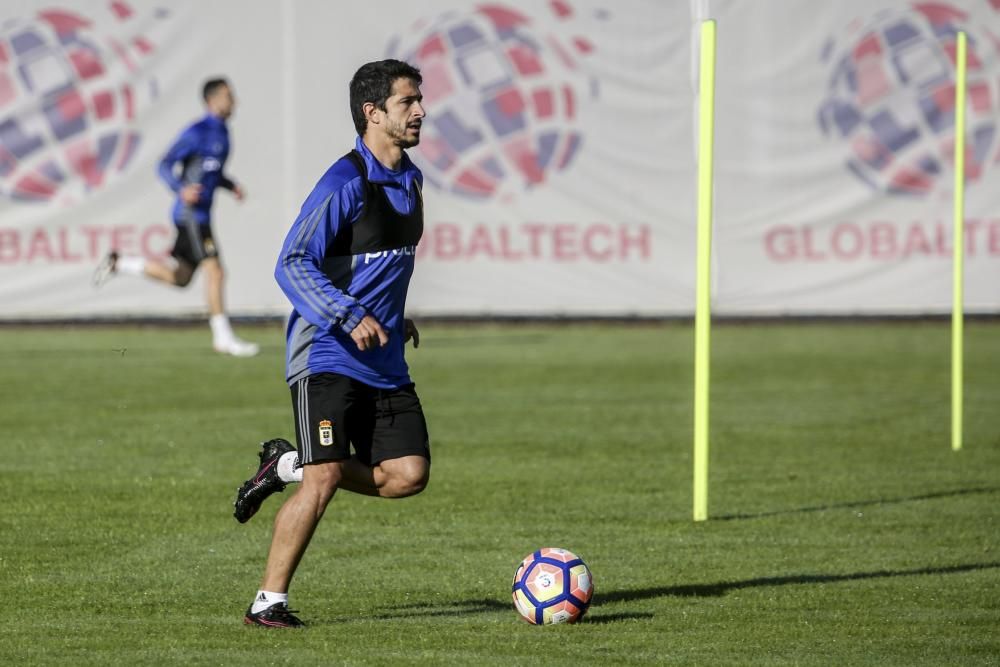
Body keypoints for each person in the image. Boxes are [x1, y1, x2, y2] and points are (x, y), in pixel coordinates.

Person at [234, 59, 430, 628]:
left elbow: (377, 263)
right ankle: (267, 603)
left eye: (419, 100)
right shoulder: (343, 182)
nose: (419, 111)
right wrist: (346, 313)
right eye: (406, 102)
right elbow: (290, 262)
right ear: (372, 113)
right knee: (325, 477)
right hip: (326, 353)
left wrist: (395, 313)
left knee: (407, 476)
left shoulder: (412, 180)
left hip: (383, 359)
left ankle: (286, 464)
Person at [93, 78, 259, 357]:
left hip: (200, 215)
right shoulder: (197, 131)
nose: (235, 102)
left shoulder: (222, 133)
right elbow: (165, 164)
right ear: (213, 99)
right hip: (191, 215)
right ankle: (223, 338)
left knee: (180, 277)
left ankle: (121, 263)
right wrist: (180, 189)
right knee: (216, 271)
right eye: (229, 96)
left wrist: (231, 186)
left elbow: (210, 173)